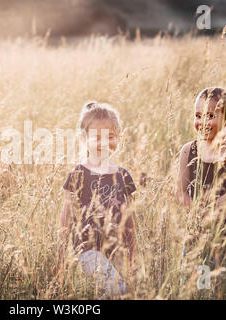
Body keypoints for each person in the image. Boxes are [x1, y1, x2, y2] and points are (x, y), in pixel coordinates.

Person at [55, 101, 137, 299]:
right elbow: (65, 220)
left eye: (110, 136)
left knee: (125, 292)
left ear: (118, 138)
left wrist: (134, 253)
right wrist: (59, 258)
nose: (103, 143)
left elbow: (131, 221)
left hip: (117, 248)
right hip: (88, 249)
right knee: (118, 287)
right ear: (84, 139)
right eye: (96, 137)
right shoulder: (78, 174)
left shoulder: (123, 175)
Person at [176, 87, 226, 274]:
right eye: (198, 116)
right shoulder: (188, 150)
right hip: (196, 235)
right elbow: (181, 191)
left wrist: (218, 206)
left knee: (224, 283)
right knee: (199, 283)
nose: (202, 122)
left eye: (210, 116)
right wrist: (194, 210)